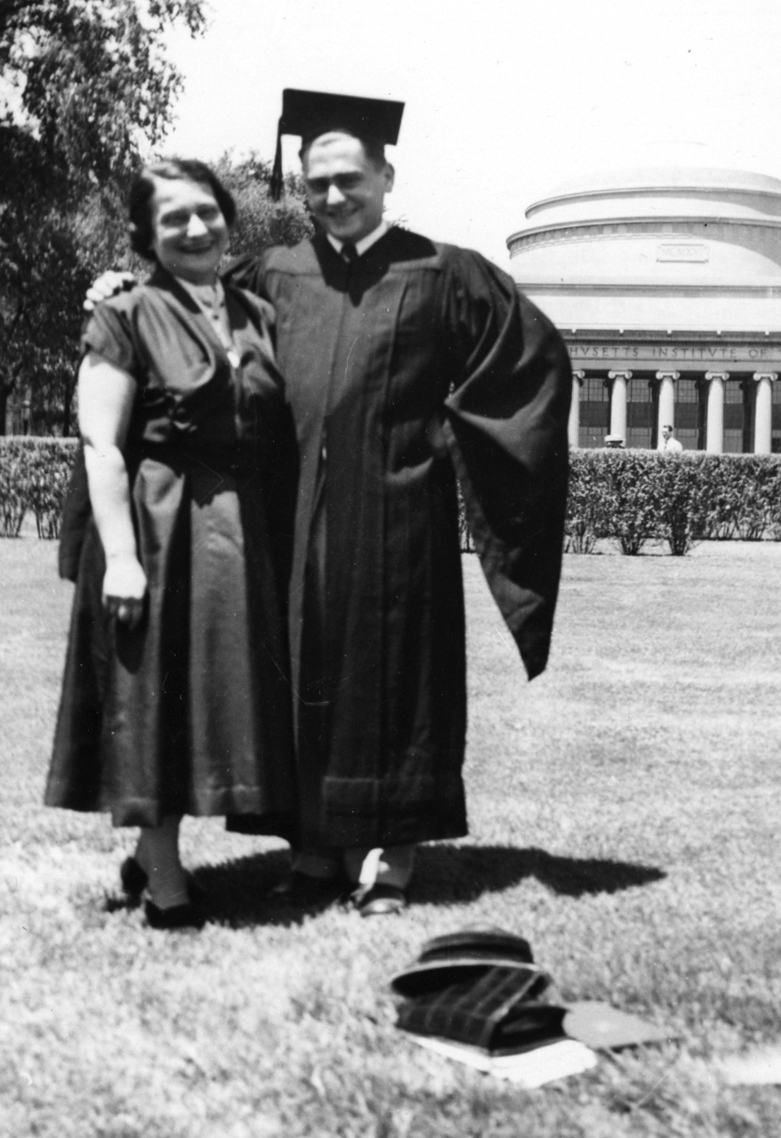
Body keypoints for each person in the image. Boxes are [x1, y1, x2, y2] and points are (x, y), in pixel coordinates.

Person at [87, 91, 572, 917]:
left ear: (386, 175)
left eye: (350, 179)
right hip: (286, 513)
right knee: (300, 674)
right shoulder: (276, 271)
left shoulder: (444, 272)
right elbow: (183, 307)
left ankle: (389, 862)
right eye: (316, 185)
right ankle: (313, 849)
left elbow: (531, 364)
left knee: (394, 682)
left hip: (396, 518)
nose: (333, 197)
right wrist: (121, 288)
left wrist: (451, 439)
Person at [48, 159, 299, 928]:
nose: (194, 229)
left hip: (231, 532)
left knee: (206, 697)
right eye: (173, 219)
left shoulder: (255, 313)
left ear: (227, 217)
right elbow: (102, 443)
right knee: (150, 692)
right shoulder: (124, 313)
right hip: (154, 527)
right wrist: (121, 557)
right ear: (147, 237)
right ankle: (163, 881)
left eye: (206, 212)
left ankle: (153, 855)